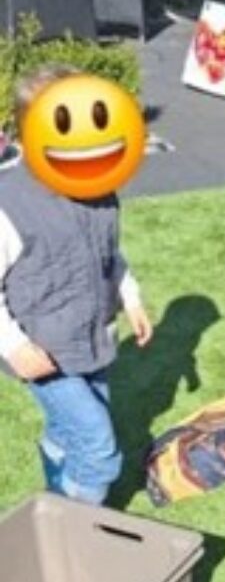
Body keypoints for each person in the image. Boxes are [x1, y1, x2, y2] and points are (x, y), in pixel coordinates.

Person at [0, 65, 152, 504]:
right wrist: (14, 347)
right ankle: (75, 527)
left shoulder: (100, 190)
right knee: (98, 449)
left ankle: (56, 488)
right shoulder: (10, 207)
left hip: (93, 338)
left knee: (71, 427)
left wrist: (130, 298)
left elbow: (108, 253)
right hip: (44, 351)